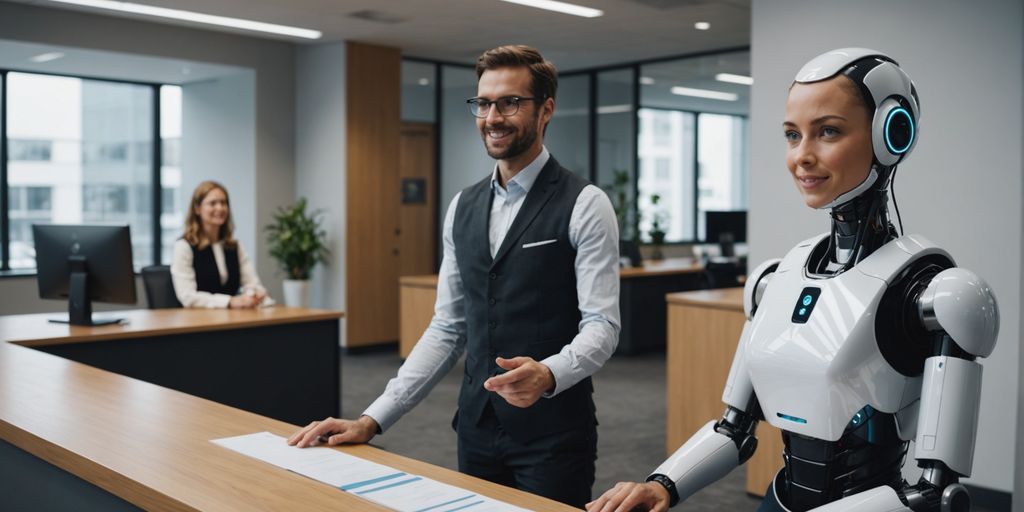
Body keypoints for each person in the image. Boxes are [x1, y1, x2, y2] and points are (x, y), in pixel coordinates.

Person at [587, 48, 999, 512]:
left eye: (827, 131)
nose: (802, 156)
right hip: (779, 501)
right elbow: (733, 431)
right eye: (791, 135)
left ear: (892, 133)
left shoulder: (934, 293)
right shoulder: (775, 276)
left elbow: (935, 493)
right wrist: (662, 485)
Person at [288, 45, 621, 508]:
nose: (493, 116)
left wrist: (549, 373)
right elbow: (448, 328)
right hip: (476, 431)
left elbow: (602, 326)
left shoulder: (585, 204)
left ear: (546, 110)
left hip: (553, 438)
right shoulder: (461, 207)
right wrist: (372, 419)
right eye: (483, 103)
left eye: (510, 102)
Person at [171, 180, 270, 309]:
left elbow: (252, 284)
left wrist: (256, 293)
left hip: (231, 320)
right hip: (197, 321)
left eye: (224, 203)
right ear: (197, 208)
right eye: (213, 203)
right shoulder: (184, 246)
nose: (220, 208)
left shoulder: (234, 246)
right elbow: (187, 296)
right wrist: (230, 301)